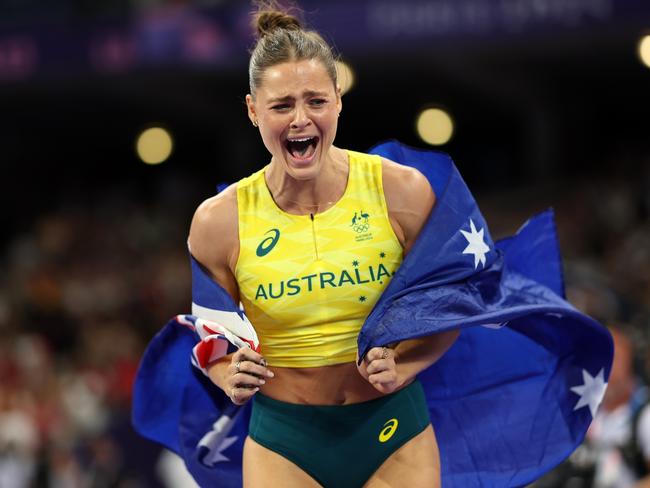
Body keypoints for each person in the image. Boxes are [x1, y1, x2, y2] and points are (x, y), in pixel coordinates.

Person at [187, 2, 459, 486]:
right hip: (284, 442)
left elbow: (452, 306)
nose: (300, 120)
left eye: (315, 100)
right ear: (253, 111)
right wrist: (223, 371)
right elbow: (213, 332)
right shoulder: (218, 223)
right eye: (281, 105)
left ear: (338, 99)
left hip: (393, 429)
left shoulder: (402, 192)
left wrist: (405, 363)